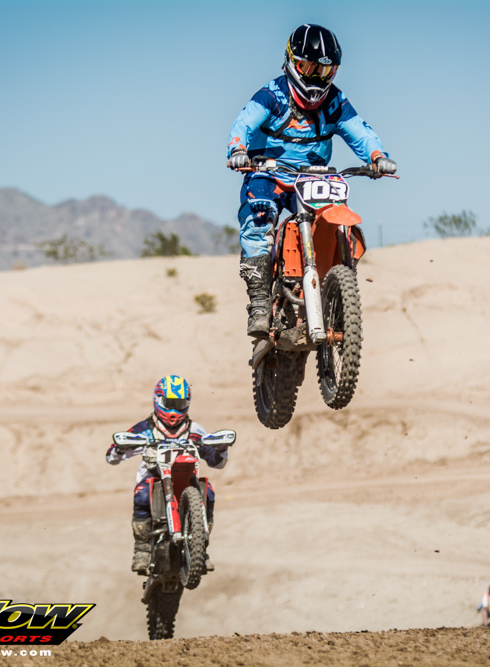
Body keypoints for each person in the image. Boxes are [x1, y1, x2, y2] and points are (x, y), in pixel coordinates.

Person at [226, 24, 397, 338]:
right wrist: (237, 149)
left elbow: (359, 131)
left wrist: (377, 156)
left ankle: (338, 288)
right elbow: (244, 123)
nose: (317, 78)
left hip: (313, 177)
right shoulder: (272, 96)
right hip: (267, 173)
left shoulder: (334, 102)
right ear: (292, 63)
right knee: (259, 217)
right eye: (309, 68)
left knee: (336, 222)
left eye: (325, 70)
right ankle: (260, 303)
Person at [105, 375, 228, 573]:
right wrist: (120, 448)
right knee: (142, 493)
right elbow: (111, 457)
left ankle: (201, 549)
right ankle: (142, 549)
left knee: (209, 492)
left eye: (179, 404)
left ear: (187, 403)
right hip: (153, 478)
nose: (173, 411)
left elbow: (217, 462)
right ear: (158, 400)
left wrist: (221, 448)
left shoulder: (195, 430)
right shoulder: (144, 429)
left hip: (187, 480)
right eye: (169, 404)